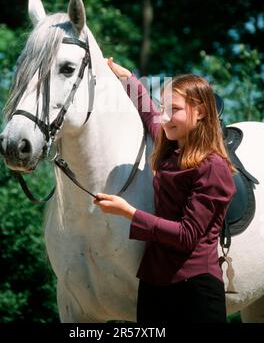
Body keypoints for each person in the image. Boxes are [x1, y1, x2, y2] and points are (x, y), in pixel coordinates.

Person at [94, 58, 236, 323]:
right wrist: (126, 77)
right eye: (164, 108)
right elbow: (148, 113)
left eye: (175, 109)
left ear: (201, 112)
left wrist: (129, 213)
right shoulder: (169, 145)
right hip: (153, 285)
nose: (165, 117)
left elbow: (186, 236)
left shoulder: (213, 167)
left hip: (195, 291)